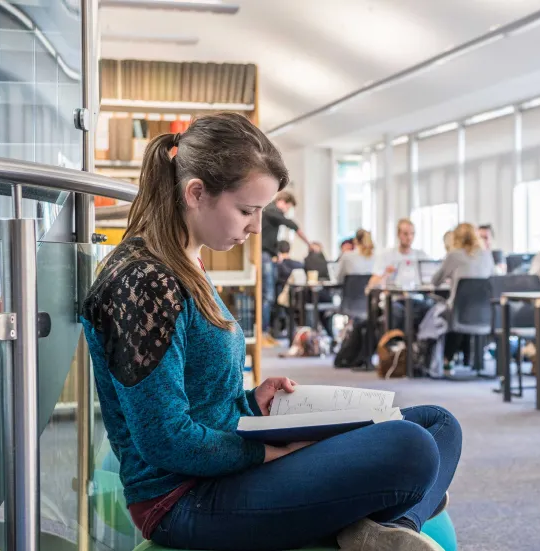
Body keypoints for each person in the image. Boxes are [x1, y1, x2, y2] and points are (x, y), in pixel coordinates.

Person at [79, 112, 461, 551]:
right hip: (183, 500)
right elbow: (165, 440)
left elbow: (199, 397)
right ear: (196, 193)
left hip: (228, 465)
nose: (258, 227)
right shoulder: (145, 281)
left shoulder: (185, 260)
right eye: (247, 210)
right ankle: (383, 512)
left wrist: (251, 401)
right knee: (411, 447)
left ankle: (386, 529)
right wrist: (269, 453)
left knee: (438, 424)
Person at [432, 223, 495, 368]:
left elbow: (435, 282)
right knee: (465, 308)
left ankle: (447, 358)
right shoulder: (487, 255)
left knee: (440, 309)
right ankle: (469, 359)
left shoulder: (453, 255)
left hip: (458, 312)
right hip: (484, 313)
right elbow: (493, 281)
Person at [260, 190, 308, 340]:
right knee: (268, 296)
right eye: (288, 207)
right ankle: (263, 333)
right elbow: (290, 224)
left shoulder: (270, 213)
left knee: (270, 294)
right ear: (283, 202)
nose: (287, 211)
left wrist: (276, 254)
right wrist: (308, 242)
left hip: (269, 255)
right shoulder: (271, 210)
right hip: (264, 255)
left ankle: (267, 332)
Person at [370, 218, 429, 288]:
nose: (409, 237)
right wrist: (386, 274)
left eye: (412, 233)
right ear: (398, 234)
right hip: (393, 295)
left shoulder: (422, 256)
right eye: (405, 234)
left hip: (417, 295)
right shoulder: (386, 256)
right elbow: (372, 284)